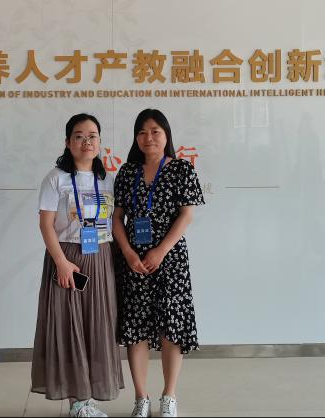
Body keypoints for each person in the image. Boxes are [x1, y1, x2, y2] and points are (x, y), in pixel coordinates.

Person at [111, 109, 205, 418]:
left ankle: (169, 396)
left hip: (170, 259)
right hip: (134, 261)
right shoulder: (127, 172)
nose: (148, 137)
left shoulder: (181, 169)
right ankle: (141, 398)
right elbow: (117, 218)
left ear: (166, 135)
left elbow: (186, 215)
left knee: (170, 326)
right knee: (135, 327)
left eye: (155, 131)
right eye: (142, 132)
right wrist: (128, 253)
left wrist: (160, 251)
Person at [31, 113, 123, 417]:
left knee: (96, 327)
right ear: (68, 142)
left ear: (100, 141)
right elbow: (46, 225)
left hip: (100, 256)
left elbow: (115, 222)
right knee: (69, 327)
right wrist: (60, 262)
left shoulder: (107, 179)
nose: (87, 142)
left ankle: (87, 397)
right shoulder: (55, 178)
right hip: (67, 257)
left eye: (92, 136)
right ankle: (78, 403)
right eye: (79, 136)